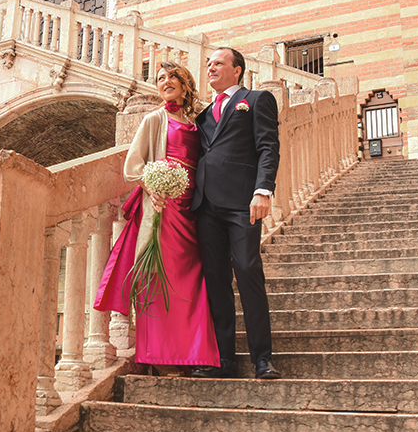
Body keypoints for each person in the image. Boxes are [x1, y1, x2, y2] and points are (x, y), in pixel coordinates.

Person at [93, 62, 220, 373]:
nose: (165, 82)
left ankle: (194, 354)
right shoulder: (153, 119)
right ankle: (160, 357)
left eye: (171, 77)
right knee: (159, 279)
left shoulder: (197, 122)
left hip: (194, 209)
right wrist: (153, 187)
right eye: (160, 79)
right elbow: (132, 166)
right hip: (164, 209)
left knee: (193, 283)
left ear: (185, 83)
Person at [191, 47, 281, 379]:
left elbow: (268, 146)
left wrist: (263, 190)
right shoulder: (202, 115)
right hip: (206, 207)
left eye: (218, 63)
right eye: (209, 64)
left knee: (246, 269)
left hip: (243, 202)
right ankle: (223, 359)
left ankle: (262, 358)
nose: (211, 68)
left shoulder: (256, 100)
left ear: (237, 70)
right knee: (215, 280)